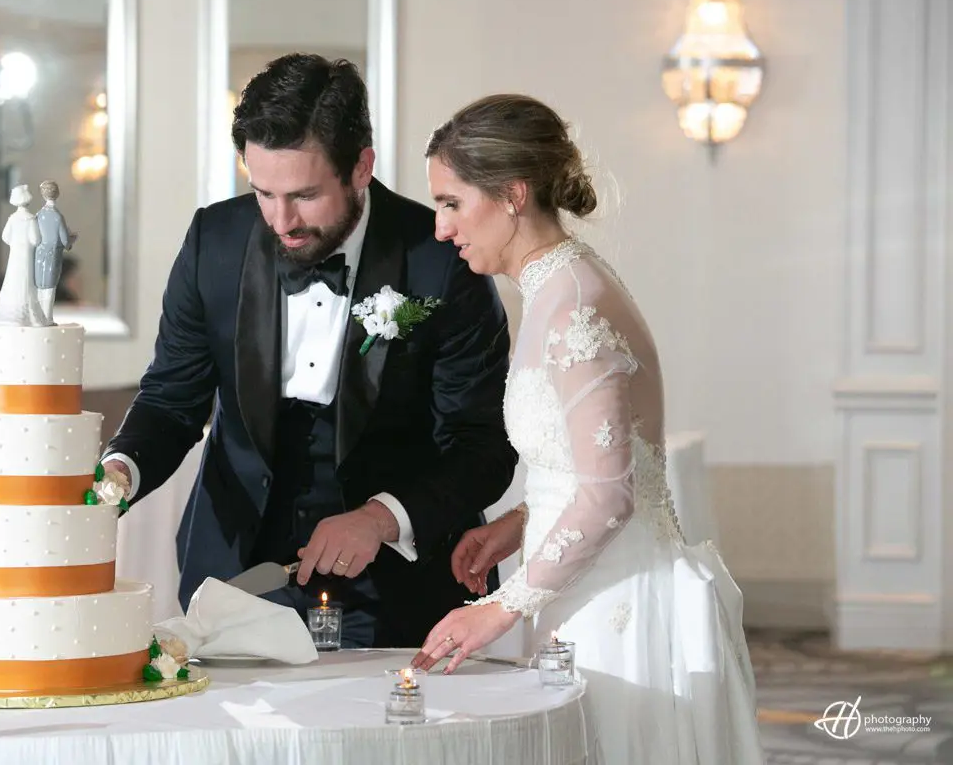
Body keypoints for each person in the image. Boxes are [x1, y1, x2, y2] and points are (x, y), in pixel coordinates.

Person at [101, 54, 516, 647]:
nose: (281, 220)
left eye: (304, 195)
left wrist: (381, 517)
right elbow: (171, 400)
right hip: (234, 573)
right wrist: (120, 471)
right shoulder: (212, 243)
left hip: (402, 583)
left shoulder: (443, 260)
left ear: (361, 168)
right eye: (262, 192)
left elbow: (482, 448)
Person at [410, 94, 763, 763]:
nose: (440, 228)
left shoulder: (571, 303)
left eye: (452, 203)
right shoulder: (561, 285)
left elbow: (609, 495)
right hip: (585, 589)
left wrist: (499, 608)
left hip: (619, 608)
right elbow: (593, 464)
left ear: (513, 195)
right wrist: (518, 523)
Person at [0, 184, 49, 327]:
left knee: (13, 278)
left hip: (15, 255)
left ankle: (14, 307)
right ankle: (26, 309)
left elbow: (5, 236)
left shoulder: (12, 218)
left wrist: (15, 242)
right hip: (27, 256)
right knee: (26, 280)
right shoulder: (31, 219)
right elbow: (35, 239)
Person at [34, 179, 77, 321]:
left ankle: (39, 316)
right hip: (53, 255)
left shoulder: (39, 215)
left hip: (40, 253)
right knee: (50, 287)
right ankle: (47, 317)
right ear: (57, 194)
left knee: (40, 285)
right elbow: (65, 240)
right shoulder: (58, 217)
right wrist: (72, 240)